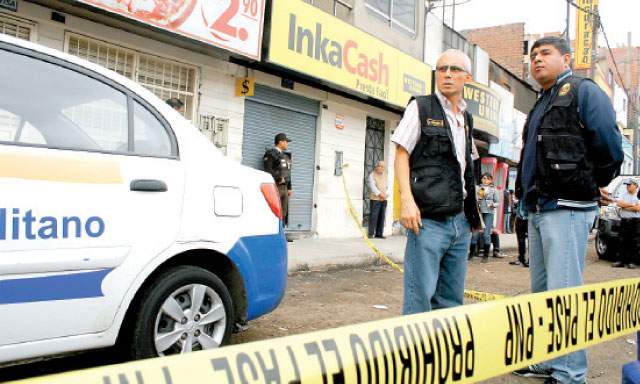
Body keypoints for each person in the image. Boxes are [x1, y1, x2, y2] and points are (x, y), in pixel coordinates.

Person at [513, 36, 623, 384]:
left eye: (545, 53)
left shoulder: (582, 90)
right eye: (533, 56)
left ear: (567, 58)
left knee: (565, 296)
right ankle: (548, 360)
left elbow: (608, 142)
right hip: (539, 208)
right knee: (543, 295)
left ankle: (570, 374)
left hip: (567, 207)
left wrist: (593, 182)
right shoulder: (541, 102)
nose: (537, 60)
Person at [392, 49, 482, 315]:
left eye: (454, 69)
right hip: (428, 222)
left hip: (460, 222)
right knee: (418, 298)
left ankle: (441, 355)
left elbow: (466, 166)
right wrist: (407, 201)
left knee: (452, 301)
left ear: (467, 77)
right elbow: (401, 154)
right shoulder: (420, 107)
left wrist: (472, 215)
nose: (447, 74)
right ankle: (412, 355)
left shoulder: (466, 118)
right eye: (442, 69)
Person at [263, 133, 293, 231]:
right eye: (286, 142)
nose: (287, 144)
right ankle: (271, 231)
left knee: (283, 211)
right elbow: (268, 170)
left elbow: (288, 173)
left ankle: (280, 231)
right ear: (280, 142)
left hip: (284, 188)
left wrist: (289, 187)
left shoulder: (285, 156)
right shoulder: (271, 154)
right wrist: (279, 178)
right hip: (275, 187)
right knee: (274, 210)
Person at [610, 179, 639, 269]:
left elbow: (637, 208)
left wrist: (625, 206)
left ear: (635, 185)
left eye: (629, 185)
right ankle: (620, 261)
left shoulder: (638, 196)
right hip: (624, 220)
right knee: (622, 241)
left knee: (634, 242)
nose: (627, 187)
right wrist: (631, 205)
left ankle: (632, 262)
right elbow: (619, 204)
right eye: (627, 185)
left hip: (635, 221)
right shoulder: (624, 195)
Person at [474, 173, 501, 263]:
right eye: (484, 178)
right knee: (475, 233)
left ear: (491, 180)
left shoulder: (493, 190)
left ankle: (485, 256)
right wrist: (478, 199)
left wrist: (493, 204)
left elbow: (498, 202)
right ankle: (471, 254)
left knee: (486, 234)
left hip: (489, 212)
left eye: (488, 178)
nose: (485, 180)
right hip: (479, 212)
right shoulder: (478, 188)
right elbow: (475, 199)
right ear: (481, 179)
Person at [367, 161, 388, 239]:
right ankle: (371, 233)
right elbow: (373, 187)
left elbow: (387, 186)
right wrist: (380, 194)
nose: (380, 168)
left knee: (382, 216)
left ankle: (379, 234)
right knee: (374, 216)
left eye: (382, 167)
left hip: (384, 199)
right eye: (379, 166)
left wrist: (385, 194)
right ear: (376, 166)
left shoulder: (385, 175)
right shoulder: (372, 175)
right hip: (375, 199)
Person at [509, 196, 529, 267]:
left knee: (531, 241)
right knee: (520, 240)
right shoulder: (520, 191)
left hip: (528, 218)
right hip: (519, 217)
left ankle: (530, 260)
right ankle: (521, 259)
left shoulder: (530, 189)